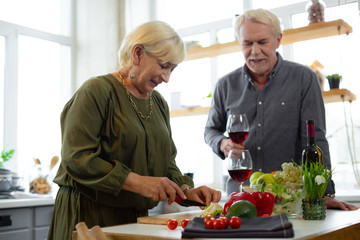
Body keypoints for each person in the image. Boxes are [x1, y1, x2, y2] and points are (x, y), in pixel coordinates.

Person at [48, 21, 221, 240]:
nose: (167, 77)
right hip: (87, 215)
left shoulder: (158, 103)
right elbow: (77, 158)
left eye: (172, 69)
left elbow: (166, 162)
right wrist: (139, 182)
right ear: (137, 53)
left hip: (133, 218)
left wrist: (186, 191)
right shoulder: (96, 91)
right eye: (163, 65)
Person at [204, 9, 358, 211]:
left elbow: (315, 139)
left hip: (290, 200)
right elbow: (210, 131)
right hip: (241, 197)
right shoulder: (225, 84)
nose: (255, 51)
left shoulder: (304, 78)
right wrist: (222, 142)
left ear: (278, 40)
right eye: (247, 43)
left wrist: (323, 193)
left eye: (262, 42)